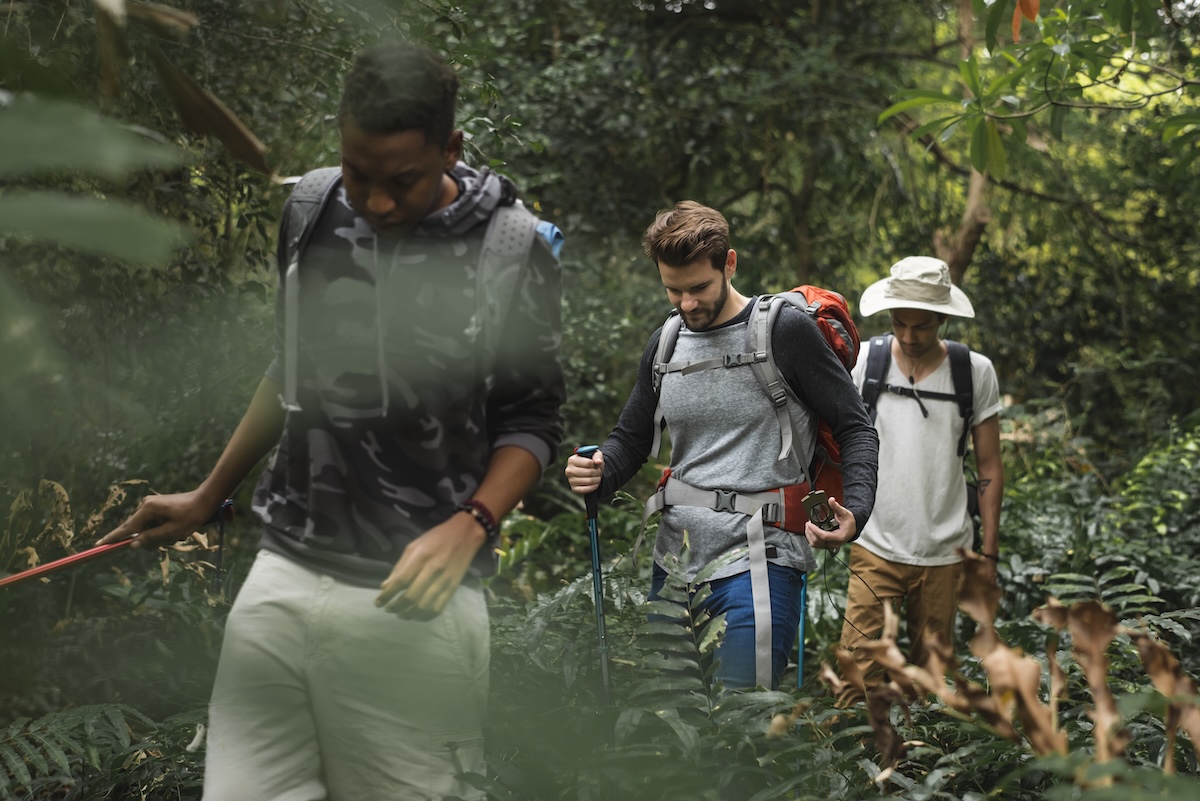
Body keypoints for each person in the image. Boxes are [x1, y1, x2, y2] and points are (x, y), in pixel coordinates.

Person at [99, 41, 565, 801]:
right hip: (281, 573)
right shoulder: (313, 207)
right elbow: (292, 371)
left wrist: (474, 520)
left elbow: (533, 421)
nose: (376, 201)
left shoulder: (511, 248)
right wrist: (208, 494)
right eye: (359, 172)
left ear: (449, 148)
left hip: (411, 606)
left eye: (402, 181)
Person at [564, 201, 878, 691]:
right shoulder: (665, 343)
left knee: (740, 729)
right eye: (673, 290)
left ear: (729, 264)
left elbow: (855, 426)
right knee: (673, 731)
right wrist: (599, 471)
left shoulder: (784, 333)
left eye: (699, 288)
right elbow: (630, 439)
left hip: (761, 558)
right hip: (675, 564)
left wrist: (856, 508)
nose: (687, 304)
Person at [835, 256, 1002, 705]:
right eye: (900, 323)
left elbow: (989, 467)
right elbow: (837, 444)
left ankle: (915, 765)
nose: (909, 337)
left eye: (923, 326)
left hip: (945, 553)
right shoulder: (865, 363)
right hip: (875, 545)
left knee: (930, 681)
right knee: (856, 674)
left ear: (943, 318)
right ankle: (851, 772)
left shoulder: (974, 373)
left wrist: (988, 553)